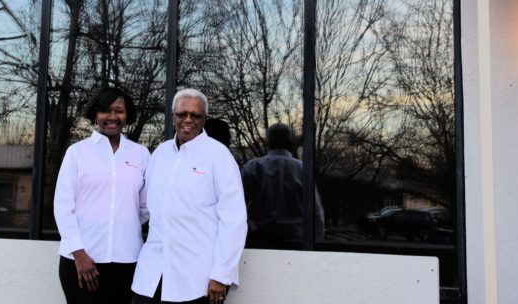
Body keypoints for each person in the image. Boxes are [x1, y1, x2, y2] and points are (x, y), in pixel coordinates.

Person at [132, 89, 247, 304]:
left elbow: (234, 220)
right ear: (172, 116)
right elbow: (145, 207)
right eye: (182, 114)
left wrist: (221, 275)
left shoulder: (219, 156)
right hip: (151, 273)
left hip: (198, 279)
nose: (188, 120)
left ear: (204, 119)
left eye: (195, 115)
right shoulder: (160, 153)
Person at [54, 86, 150, 304]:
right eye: (106, 110)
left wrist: (122, 223)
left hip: (127, 261)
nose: (113, 117)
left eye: (119, 111)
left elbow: (144, 208)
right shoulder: (77, 153)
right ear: (95, 114)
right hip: (81, 261)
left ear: (127, 115)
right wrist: (79, 253)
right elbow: (63, 207)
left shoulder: (141, 154)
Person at [240, 123, 325, 249]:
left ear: (267, 142)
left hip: (261, 242)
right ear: (290, 142)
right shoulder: (303, 169)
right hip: (297, 242)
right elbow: (316, 213)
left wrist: (251, 229)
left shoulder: (253, 167)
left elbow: (234, 206)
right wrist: (316, 244)